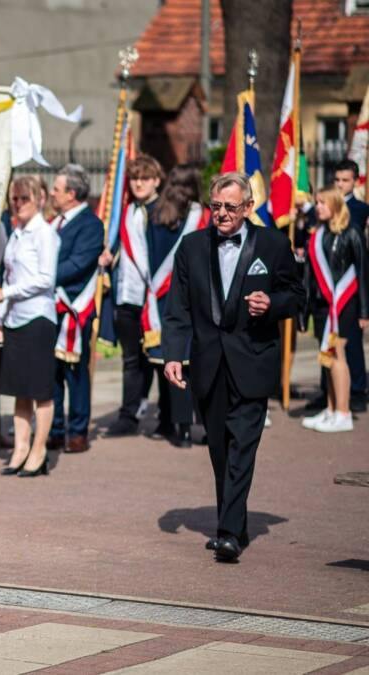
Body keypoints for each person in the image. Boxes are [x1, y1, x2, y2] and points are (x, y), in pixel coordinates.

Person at [163, 172, 303, 562]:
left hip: (253, 360)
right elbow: (178, 308)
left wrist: (271, 305)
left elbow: (295, 295)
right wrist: (174, 354)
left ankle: (227, 533)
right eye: (216, 206)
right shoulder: (191, 247)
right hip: (208, 365)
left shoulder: (273, 245)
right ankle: (235, 523)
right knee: (220, 450)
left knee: (243, 444)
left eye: (230, 207)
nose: (222, 214)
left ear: (248, 208)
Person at [0, 176, 60, 477]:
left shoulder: (44, 233)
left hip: (38, 317)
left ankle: (39, 449)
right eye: (14, 200)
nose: (17, 204)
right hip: (16, 318)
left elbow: (46, 279)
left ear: (39, 199)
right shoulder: (17, 234)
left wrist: (6, 294)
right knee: (20, 389)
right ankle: (20, 448)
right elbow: (9, 276)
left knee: (40, 389)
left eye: (24, 199)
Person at [99, 155, 162, 437]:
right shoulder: (123, 212)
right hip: (127, 295)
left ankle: (168, 414)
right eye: (135, 178)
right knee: (131, 358)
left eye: (145, 178)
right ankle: (129, 414)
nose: (138, 183)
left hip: (153, 296)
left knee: (158, 358)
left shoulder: (162, 211)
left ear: (156, 181)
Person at [144, 166, 205, 448]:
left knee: (169, 363)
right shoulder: (201, 216)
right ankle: (202, 426)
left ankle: (175, 426)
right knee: (193, 366)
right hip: (192, 297)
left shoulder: (156, 214)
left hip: (160, 296)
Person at [300, 187, 369, 433]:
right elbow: (308, 277)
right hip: (322, 306)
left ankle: (343, 412)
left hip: (344, 305)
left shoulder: (352, 233)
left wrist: (364, 311)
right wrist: (304, 310)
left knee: (338, 356)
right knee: (327, 358)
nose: (317, 207)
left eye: (322, 203)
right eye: (317, 202)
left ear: (336, 206)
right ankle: (330, 409)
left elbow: (362, 273)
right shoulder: (318, 235)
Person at [47, 164, 104, 454]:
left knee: (75, 372)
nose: (52, 193)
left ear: (71, 193)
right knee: (52, 372)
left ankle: (78, 430)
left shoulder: (91, 225)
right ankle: (55, 429)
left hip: (74, 308)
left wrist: (41, 276)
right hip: (49, 307)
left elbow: (79, 264)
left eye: (56, 189)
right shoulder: (53, 222)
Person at [331, 160, 368, 412]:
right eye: (337, 180)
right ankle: (330, 390)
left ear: (355, 181)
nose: (340, 184)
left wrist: (365, 310)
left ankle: (357, 388)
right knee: (330, 341)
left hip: (350, 285)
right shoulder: (326, 205)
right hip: (329, 283)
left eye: (345, 180)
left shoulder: (360, 209)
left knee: (351, 340)